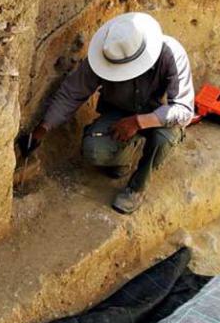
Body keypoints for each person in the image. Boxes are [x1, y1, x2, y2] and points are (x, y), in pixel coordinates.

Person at [20, 12, 195, 214]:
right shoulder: (105, 55)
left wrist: (139, 122)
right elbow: (72, 92)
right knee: (94, 149)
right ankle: (126, 155)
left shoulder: (171, 54)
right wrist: (43, 128)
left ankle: (136, 188)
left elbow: (184, 110)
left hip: (157, 116)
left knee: (164, 137)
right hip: (118, 114)